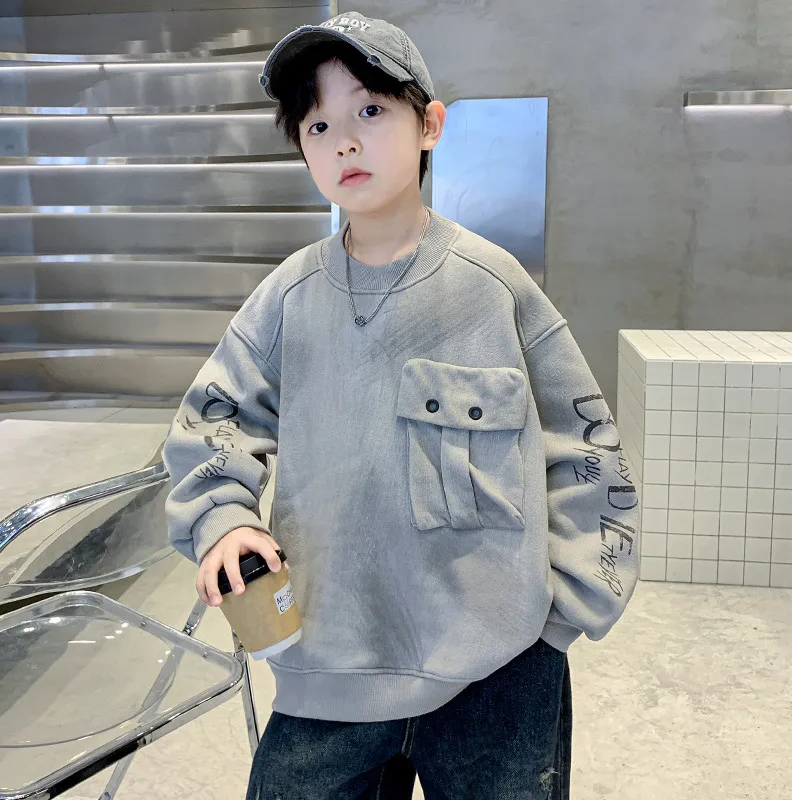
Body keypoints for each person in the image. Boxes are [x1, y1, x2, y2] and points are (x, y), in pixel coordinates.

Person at [162, 10, 640, 800]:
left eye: (372, 110)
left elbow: (586, 449)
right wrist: (224, 519)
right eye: (319, 125)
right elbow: (214, 422)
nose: (345, 142)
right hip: (327, 665)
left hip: (498, 675)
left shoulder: (494, 288)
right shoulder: (286, 298)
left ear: (430, 125)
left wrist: (559, 616)